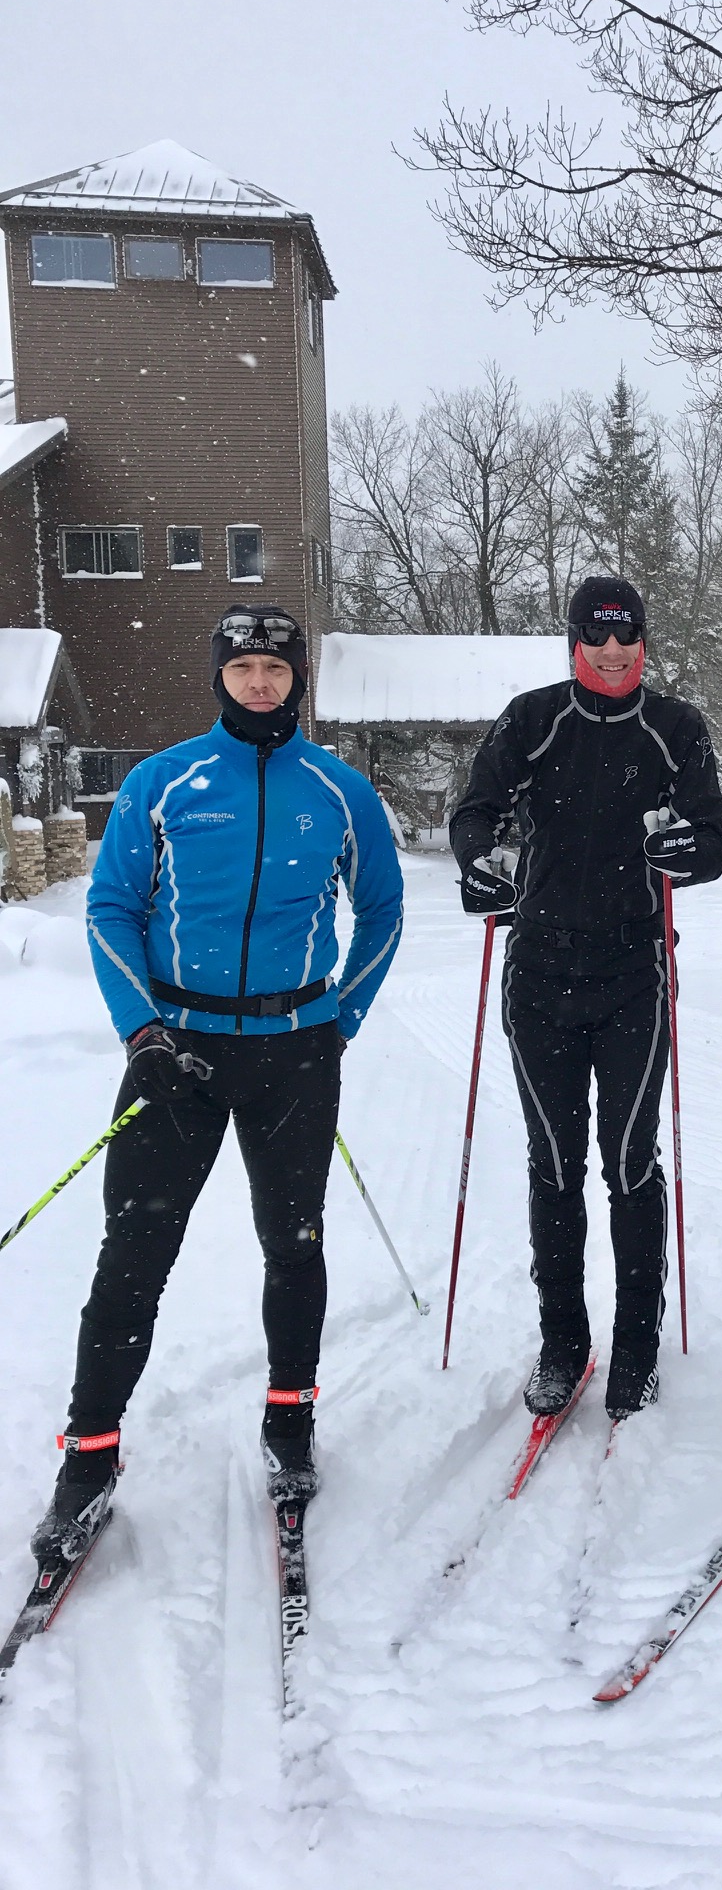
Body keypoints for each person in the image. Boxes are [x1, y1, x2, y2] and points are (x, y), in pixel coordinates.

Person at [31, 607, 404, 1566]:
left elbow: (383, 908)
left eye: (277, 668)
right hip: (178, 1052)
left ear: (299, 678)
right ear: (220, 676)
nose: (261, 683)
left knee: (294, 1240)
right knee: (134, 1254)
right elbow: (110, 905)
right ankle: (89, 1455)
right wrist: (140, 1028)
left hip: (292, 1049)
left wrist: (338, 1023)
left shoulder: (340, 789)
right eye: (244, 667)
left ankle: (289, 1421)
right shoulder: (162, 783)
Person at [449, 576, 722, 1422]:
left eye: (628, 639)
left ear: (645, 642)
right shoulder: (533, 719)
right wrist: (479, 864)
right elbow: (475, 812)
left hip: (631, 974)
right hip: (537, 974)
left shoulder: (675, 727)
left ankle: (636, 1341)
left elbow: (711, 839)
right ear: (573, 642)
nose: (613, 653)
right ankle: (564, 1340)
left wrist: (689, 851)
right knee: (556, 1164)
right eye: (597, 639)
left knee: (630, 1161)